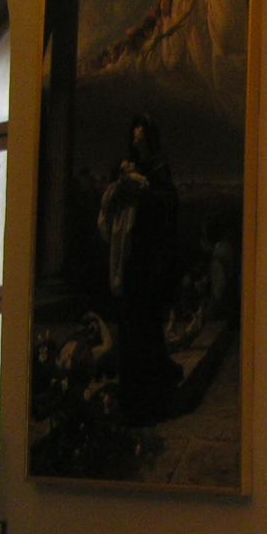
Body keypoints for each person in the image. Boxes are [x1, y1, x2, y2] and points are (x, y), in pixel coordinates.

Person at [98, 113, 183, 424]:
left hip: (147, 258)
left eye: (141, 131)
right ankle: (132, 393)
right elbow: (112, 205)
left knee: (145, 326)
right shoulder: (129, 169)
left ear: (149, 136)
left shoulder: (158, 168)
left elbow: (169, 203)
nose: (137, 135)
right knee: (130, 327)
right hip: (129, 257)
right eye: (134, 131)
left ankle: (149, 397)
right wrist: (123, 188)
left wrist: (144, 193)